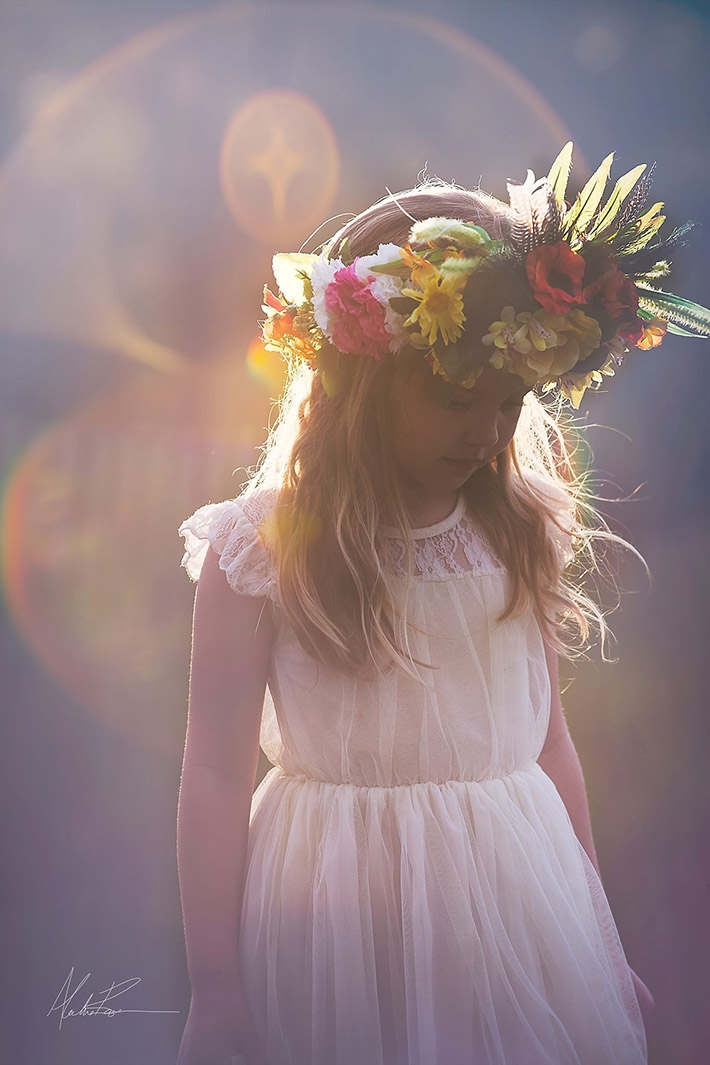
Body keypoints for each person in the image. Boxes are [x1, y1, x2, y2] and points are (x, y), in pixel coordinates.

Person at [175, 143, 708, 1064]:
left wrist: (599, 941)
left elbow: (547, 743)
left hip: (508, 895)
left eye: (512, 400)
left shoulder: (522, 527)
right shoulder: (261, 551)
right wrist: (216, 987)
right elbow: (215, 774)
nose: (490, 430)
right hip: (331, 913)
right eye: (457, 395)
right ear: (364, 380)